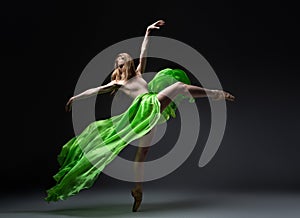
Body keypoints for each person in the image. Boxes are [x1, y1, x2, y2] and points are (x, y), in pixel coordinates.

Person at [45, 20, 235, 212]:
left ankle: (137, 189)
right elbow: (96, 90)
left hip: (149, 107)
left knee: (144, 149)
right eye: (119, 66)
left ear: (129, 64)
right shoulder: (118, 84)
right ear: (117, 68)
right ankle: (216, 94)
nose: (122, 68)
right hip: (143, 110)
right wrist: (75, 97)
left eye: (125, 64)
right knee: (175, 93)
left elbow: (143, 51)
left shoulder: (138, 73)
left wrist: (147, 32)